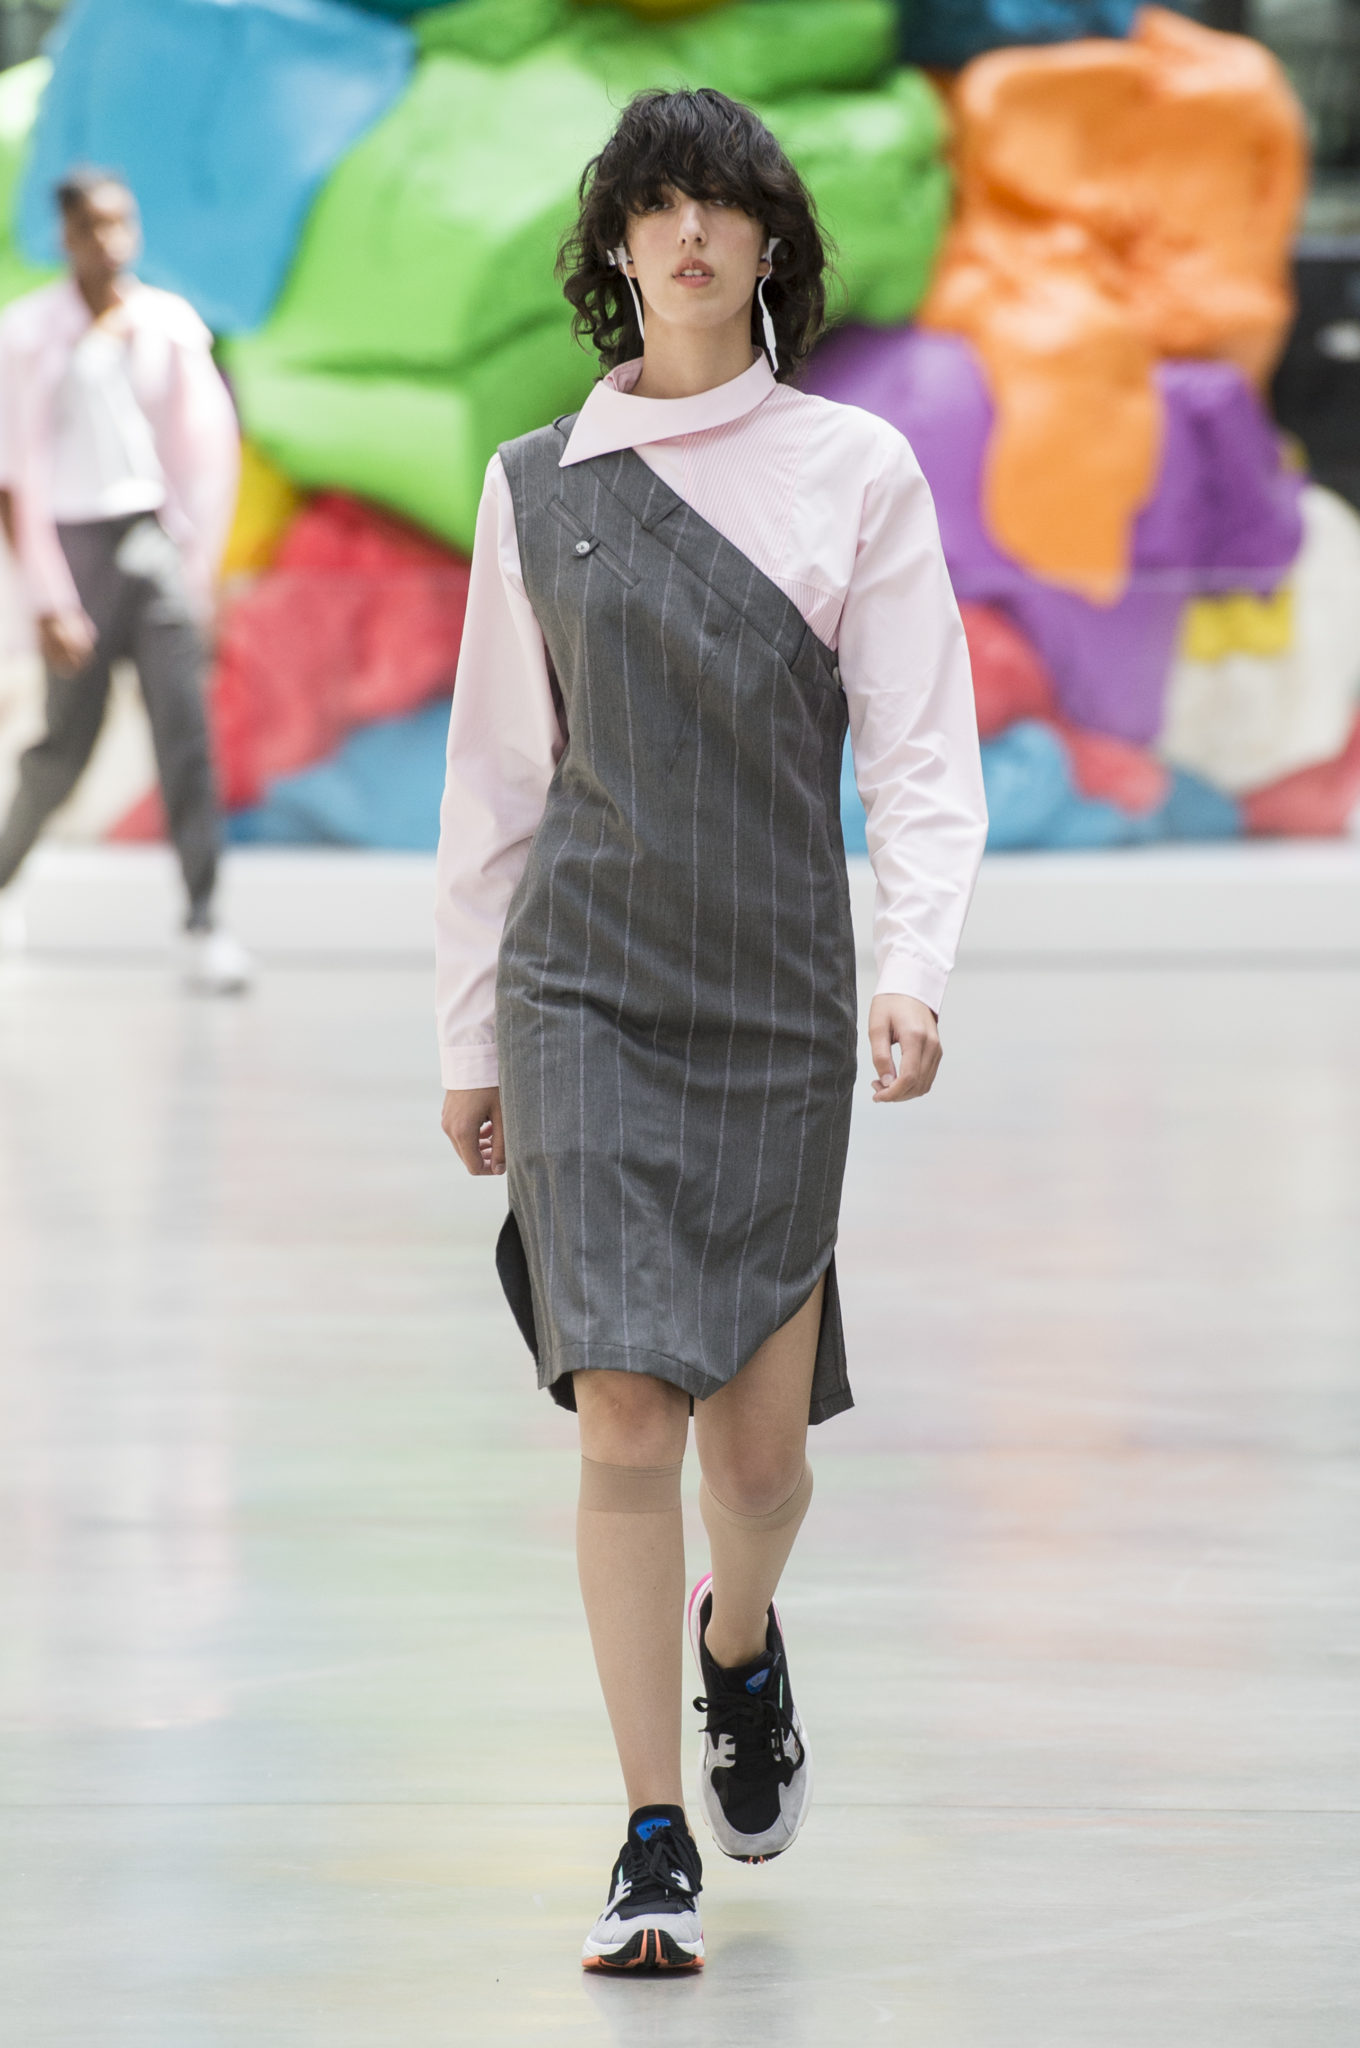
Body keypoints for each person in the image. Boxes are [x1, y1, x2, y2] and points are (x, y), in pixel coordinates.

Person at [435, 90, 988, 1974]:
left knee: (754, 1468)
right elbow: (497, 783)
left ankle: (737, 1642)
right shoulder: (537, 485)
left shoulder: (855, 471)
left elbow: (921, 750)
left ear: (770, 245)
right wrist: (470, 1036)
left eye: (721, 206)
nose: (687, 234)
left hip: (774, 998)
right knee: (622, 1404)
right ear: (614, 247)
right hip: (583, 987)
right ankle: (650, 1830)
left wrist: (914, 964)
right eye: (654, 205)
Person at [0, 167, 248, 991]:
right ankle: (3, 880)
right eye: (91, 227)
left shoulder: (169, 327)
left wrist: (195, 570)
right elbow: (13, 478)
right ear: (66, 236)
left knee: (186, 736)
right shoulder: (28, 333)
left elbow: (206, 452)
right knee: (63, 747)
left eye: (120, 223)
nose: (108, 241)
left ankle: (204, 920)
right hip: (71, 548)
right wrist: (47, 599)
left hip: (152, 543)